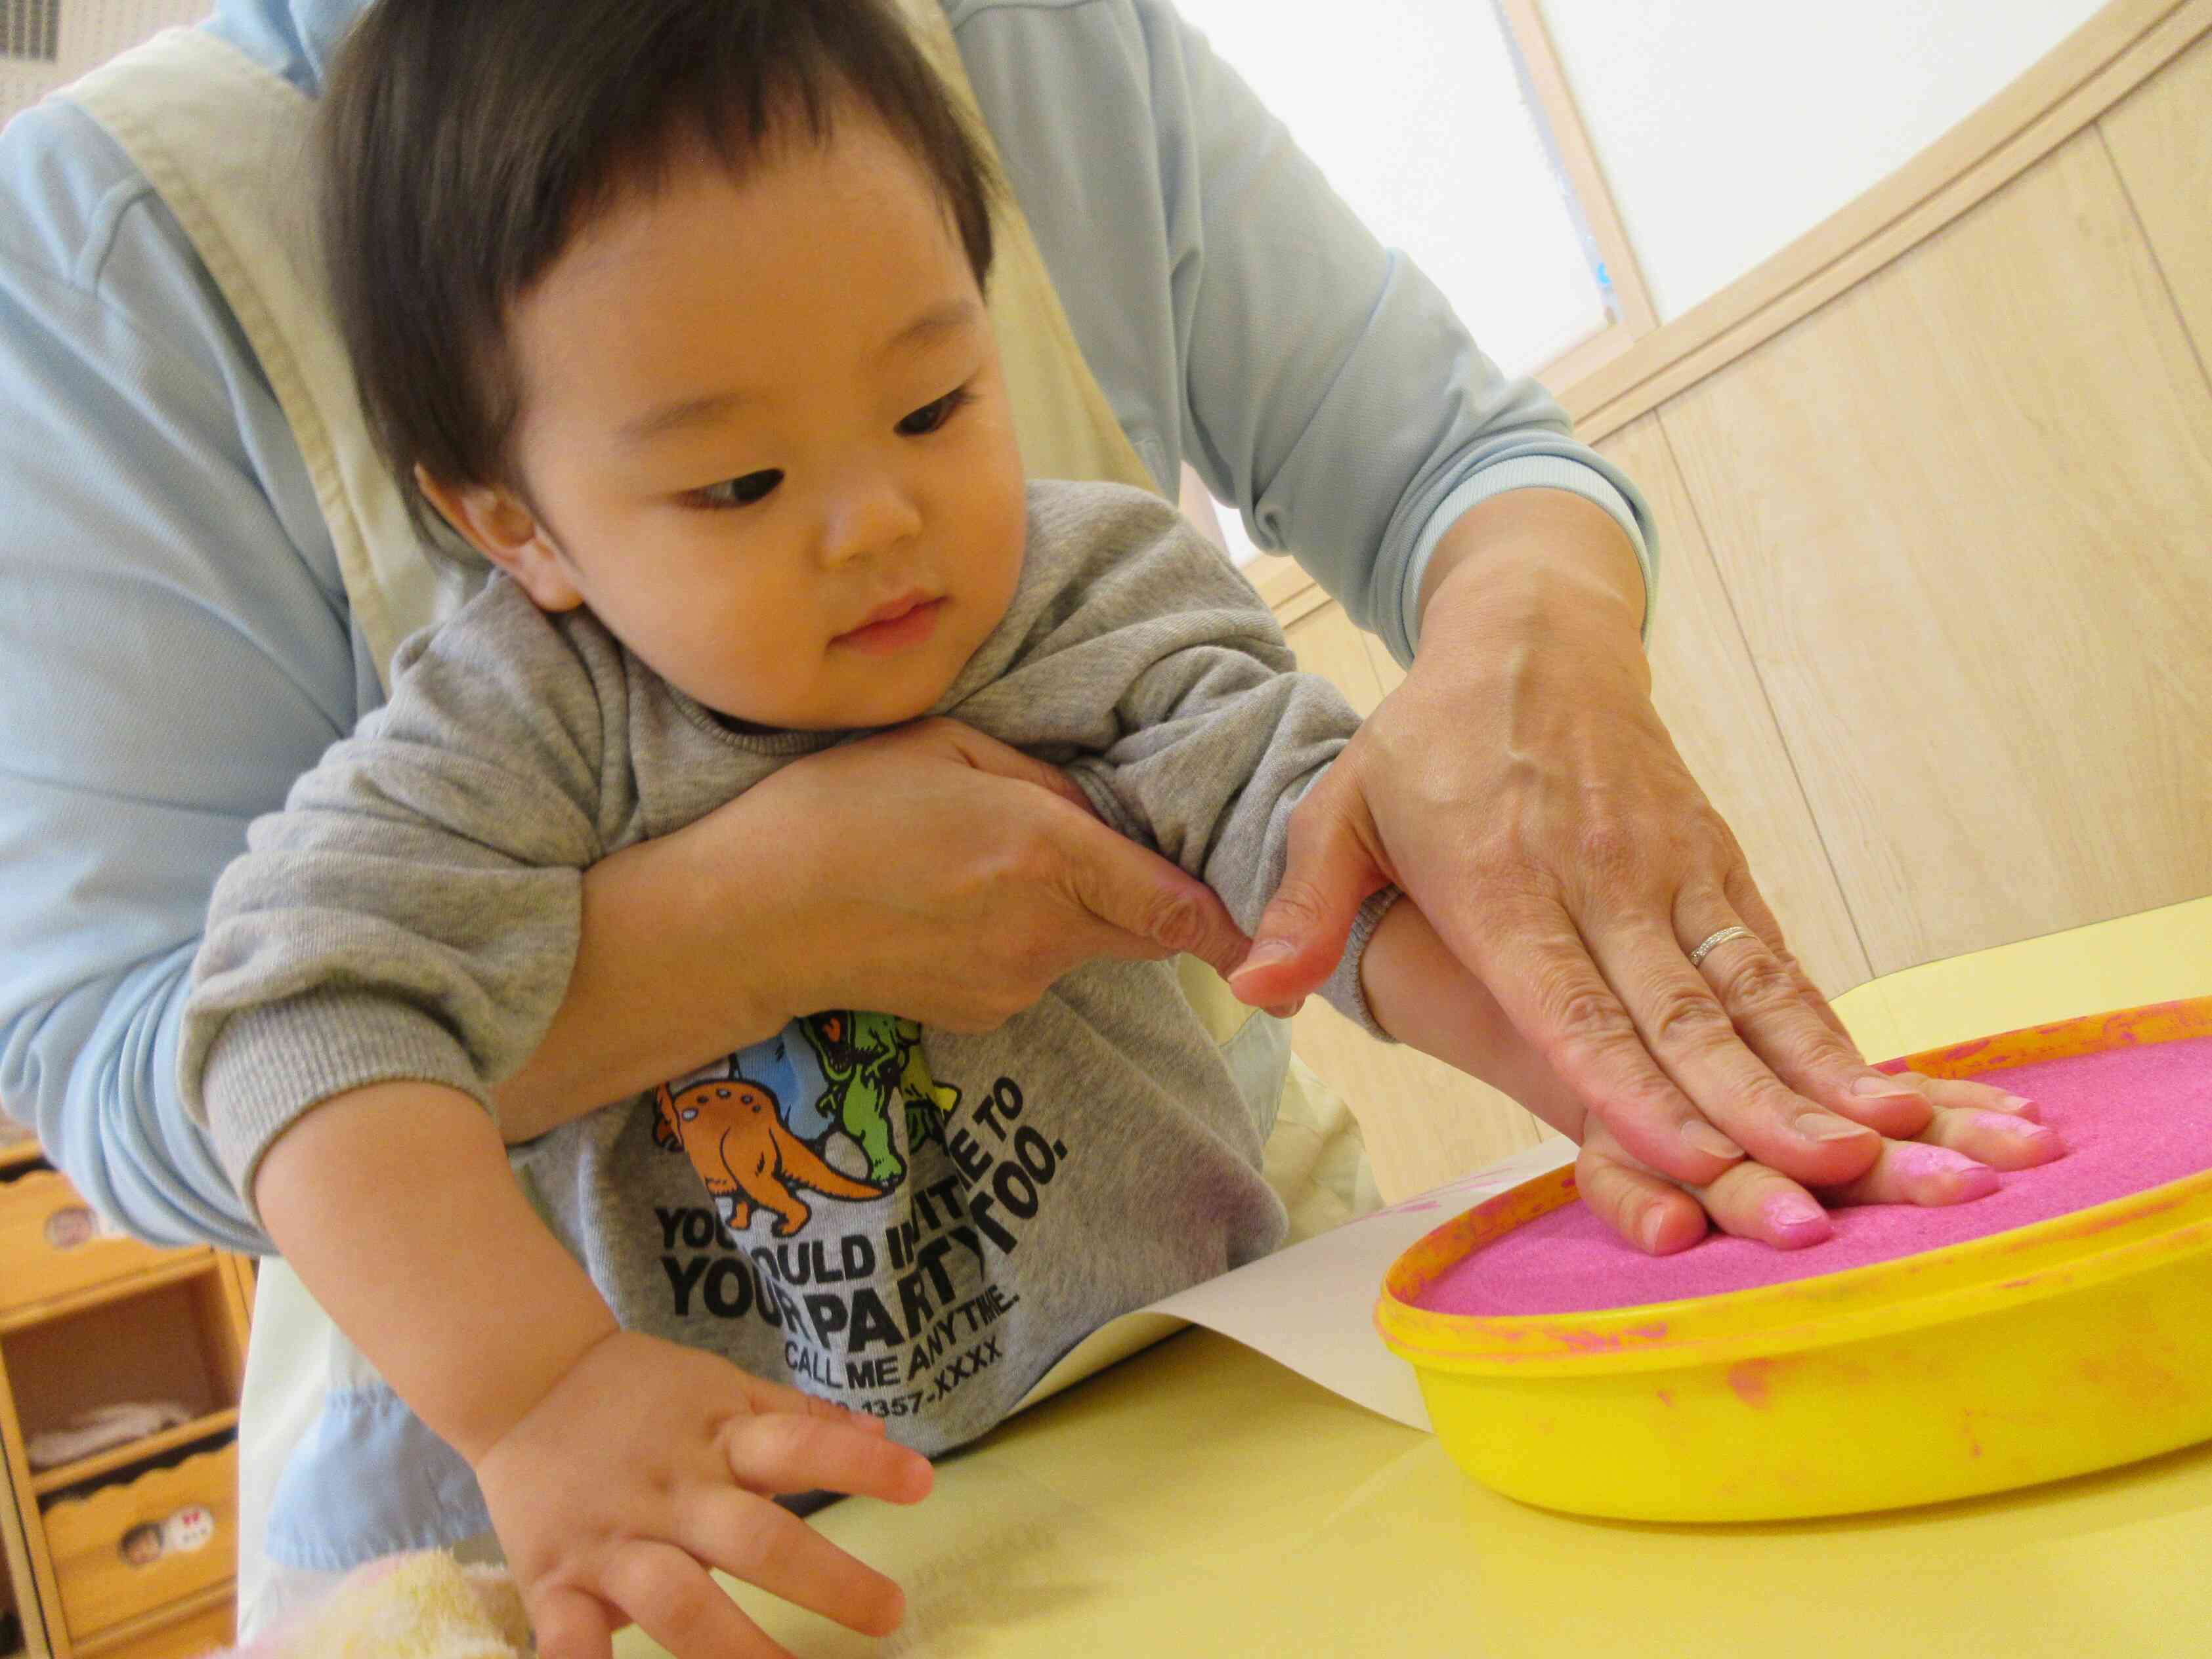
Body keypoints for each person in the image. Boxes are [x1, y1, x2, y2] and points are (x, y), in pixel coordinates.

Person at [0, 0, 2056, 1635]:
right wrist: (541, 1394)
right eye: (733, 487)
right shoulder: (498, 737)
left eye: (929, 402)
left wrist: (1641, 1101)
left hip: (1187, 1387)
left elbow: (1318, 866)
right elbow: (257, 1027)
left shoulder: (1080, 586)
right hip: (728, 1522)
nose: (879, 517)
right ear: (515, 524)